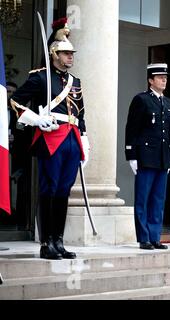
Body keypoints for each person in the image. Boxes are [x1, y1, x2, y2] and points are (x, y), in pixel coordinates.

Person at [10, 17, 89, 259]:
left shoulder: (75, 82)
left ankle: (59, 240)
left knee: (64, 191)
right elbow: (15, 101)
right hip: (51, 137)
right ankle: (46, 242)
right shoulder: (40, 77)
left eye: (71, 53)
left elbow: (80, 113)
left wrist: (85, 138)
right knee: (50, 189)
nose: (70, 57)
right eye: (65, 53)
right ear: (54, 54)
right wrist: (35, 119)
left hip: (72, 139)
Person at [125, 63, 170, 250]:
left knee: (158, 200)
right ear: (151, 80)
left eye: (165, 77)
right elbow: (132, 128)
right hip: (145, 156)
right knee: (143, 199)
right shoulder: (141, 100)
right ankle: (144, 237)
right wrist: (131, 154)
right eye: (160, 77)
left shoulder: (168, 102)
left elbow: (167, 133)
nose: (164, 80)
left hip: (161, 158)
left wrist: (169, 158)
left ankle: (155, 236)